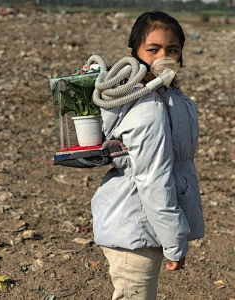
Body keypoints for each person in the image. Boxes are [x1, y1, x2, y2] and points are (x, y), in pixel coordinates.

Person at [91, 11, 204, 300]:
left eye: (172, 49)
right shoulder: (148, 108)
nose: (163, 56)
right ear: (135, 55)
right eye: (153, 49)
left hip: (140, 228)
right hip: (135, 232)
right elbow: (154, 180)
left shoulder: (173, 101)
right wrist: (175, 242)